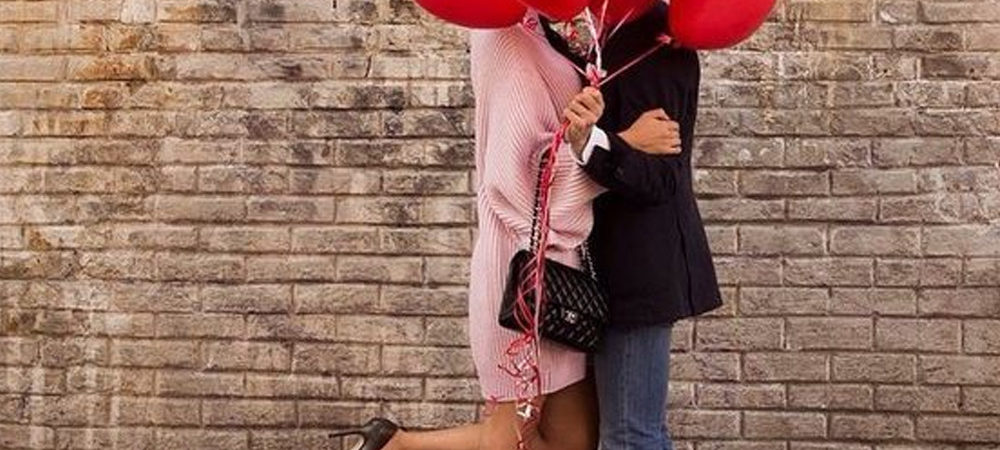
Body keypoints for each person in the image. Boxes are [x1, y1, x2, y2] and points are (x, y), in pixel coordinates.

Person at [330, 10, 665, 450]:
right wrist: (624, 144)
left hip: (558, 268)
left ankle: (392, 443)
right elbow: (518, 178)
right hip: (520, 263)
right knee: (508, 436)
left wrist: (658, 31)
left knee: (573, 441)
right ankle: (395, 446)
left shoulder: (535, 30)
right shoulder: (506, 38)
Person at [541, 2, 725, 449]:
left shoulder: (657, 44)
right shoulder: (601, 32)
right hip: (604, 270)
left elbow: (661, 177)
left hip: (639, 268)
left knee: (630, 434)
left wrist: (592, 143)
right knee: (630, 431)